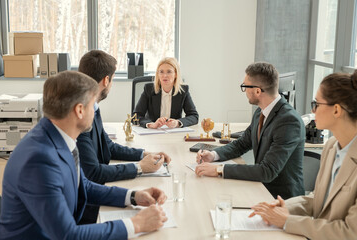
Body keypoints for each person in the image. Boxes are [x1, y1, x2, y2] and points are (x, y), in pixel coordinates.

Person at [0, 71, 168, 240]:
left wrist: (133, 196)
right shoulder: (39, 160)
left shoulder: (61, 136)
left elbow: (83, 186)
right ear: (79, 110)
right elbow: (67, 235)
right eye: (92, 105)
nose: (95, 112)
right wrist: (136, 224)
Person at [249, 71, 357, 239]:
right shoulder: (331, 147)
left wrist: (287, 221)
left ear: (336, 110)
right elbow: (319, 198)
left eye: (316, 104)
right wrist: (284, 206)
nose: (312, 110)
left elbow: (350, 232)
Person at [77, 50, 171, 224]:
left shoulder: (93, 107)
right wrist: (139, 167)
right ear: (106, 80)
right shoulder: (82, 115)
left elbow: (108, 146)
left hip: (94, 193)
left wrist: (144, 154)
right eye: (112, 79)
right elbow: (93, 173)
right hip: (86, 208)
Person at [195, 62, 305, 199]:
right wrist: (213, 155)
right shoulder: (260, 112)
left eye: (245, 87)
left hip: (281, 200)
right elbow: (242, 144)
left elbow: (267, 171)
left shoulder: (289, 122)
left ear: (257, 91)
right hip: (260, 188)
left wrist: (219, 169)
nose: (244, 91)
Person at [133, 57, 199, 128]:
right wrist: (151, 124)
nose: (165, 76)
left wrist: (177, 123)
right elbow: (135, 116)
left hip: (173, 133)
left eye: (169, 72)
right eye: (161, 72)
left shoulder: (183, 91)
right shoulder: (149, 89)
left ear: (176, 74)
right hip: (153, 133)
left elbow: (194, 116)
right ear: (158, 74)